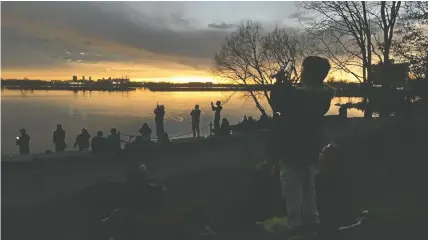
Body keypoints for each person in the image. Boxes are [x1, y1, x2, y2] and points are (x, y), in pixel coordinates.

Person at [268, 56, 334, 237]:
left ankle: (294, 223)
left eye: (303, 69)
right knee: (307, 183)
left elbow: (278, 104)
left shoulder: (297, 95)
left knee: (291, 184)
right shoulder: (323, 95)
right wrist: (285, 86)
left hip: (292, 144)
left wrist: (279, 84)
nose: (301, 72)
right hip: (311, 143)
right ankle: (312, 220)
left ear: (308, 72)